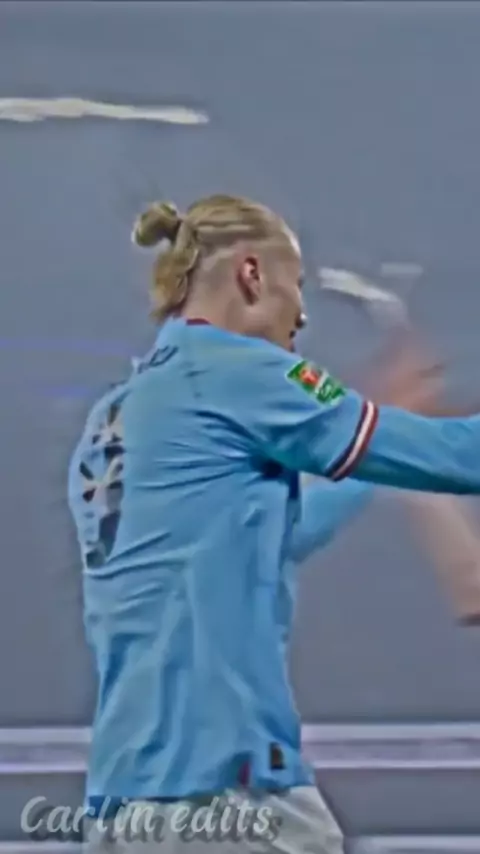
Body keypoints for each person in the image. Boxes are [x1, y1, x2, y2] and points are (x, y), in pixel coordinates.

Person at [68, 194, 480, 853]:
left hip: (123, 805)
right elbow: (454, 456)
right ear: (252, 274)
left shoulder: (116, 418)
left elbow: (274, 535)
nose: (303, 314)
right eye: (297, 285)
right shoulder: (243, 373)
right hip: (229, 799)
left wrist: (378, 453)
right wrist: (396, 435)